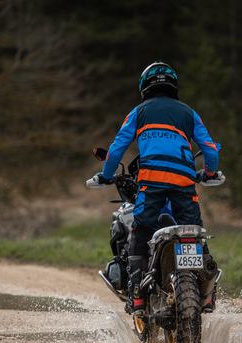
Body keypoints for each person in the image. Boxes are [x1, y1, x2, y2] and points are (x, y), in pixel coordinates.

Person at [91, 61, 222, 315]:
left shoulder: (138, 112)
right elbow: (210, 150)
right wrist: (208, 173)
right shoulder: (189, 113)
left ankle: (138, 297)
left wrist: (106, 175)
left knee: (141, 229)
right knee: (193, 232)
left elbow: (116, 149)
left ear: (145, 87)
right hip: (184, 183)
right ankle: (206, 293)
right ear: (173, 85)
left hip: (151, 182)